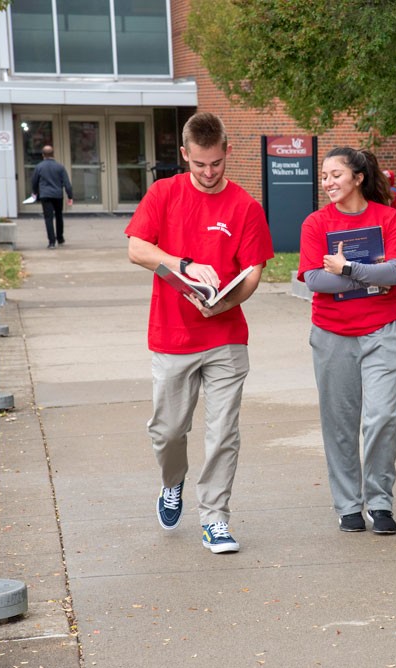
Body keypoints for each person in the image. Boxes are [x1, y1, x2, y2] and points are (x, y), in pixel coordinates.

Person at [125, 112, 274, 553]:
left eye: (217, 163)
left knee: (223, 432)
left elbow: (253, 271)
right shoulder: (164, 193)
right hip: (172, 336)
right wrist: (183, 264)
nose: (209, 174)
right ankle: (173, 481)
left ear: (227, 151)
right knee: (168, 431)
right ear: (185, 155)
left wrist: (225, 303)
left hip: (226, 336)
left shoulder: (245, 206)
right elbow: (136, 248)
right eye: (200, 164)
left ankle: (216, 518)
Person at [298, 147, 396, 535]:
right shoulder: (316, 223)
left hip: (382, 331)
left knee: (383, 417)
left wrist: (347, 268)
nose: (328, 182)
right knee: (340, 423)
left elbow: (395, 272)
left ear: (358, 177)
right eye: (325, 176)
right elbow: (315, 280)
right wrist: (369, 276)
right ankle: (349, 505)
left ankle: (379, 502)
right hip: (332, 334)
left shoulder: (389, 218)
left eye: (336, 175)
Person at [30, 145, 73, 249]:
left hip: (45, 195)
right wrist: (70, 196)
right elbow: (67, 183)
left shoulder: (39, 167)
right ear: (53, 154)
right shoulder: (60, 167)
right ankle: (60, 238)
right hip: (58, 195)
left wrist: (35, 192)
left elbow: (34, 181)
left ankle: (51, 242)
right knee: (59, 216)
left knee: (48, 218)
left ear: (43, 155)